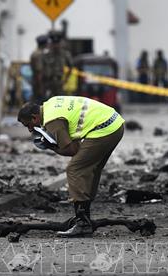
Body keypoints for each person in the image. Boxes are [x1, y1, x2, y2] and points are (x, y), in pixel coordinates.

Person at [17, 96, 125, 237]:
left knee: (75, 169)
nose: (30, 130)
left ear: (35, 118)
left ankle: (82, 223)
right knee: (90, 167)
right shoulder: (51, 103)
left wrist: (51, 146)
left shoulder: (52, 121)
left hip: (105, 129)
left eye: (28, 125)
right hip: (114, 124)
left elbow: (72, 150)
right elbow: (76, 145)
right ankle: (84, 217)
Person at [42, 30, 73, 98]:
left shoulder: (65, 54)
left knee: (60, 100)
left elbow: (71, 67)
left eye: (57, 43)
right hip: (48, 82)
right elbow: (42, 68)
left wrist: (65, 80)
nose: (56, 45)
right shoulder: (47, 54)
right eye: (54, 43)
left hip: (60, 81)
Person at [30, 35, 48, 102]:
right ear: (44, 44)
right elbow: (39, 72)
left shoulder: (35, 53)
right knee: (39, 102)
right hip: (39, 83)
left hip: (37, 82)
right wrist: (41, 87)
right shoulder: (39, 54)